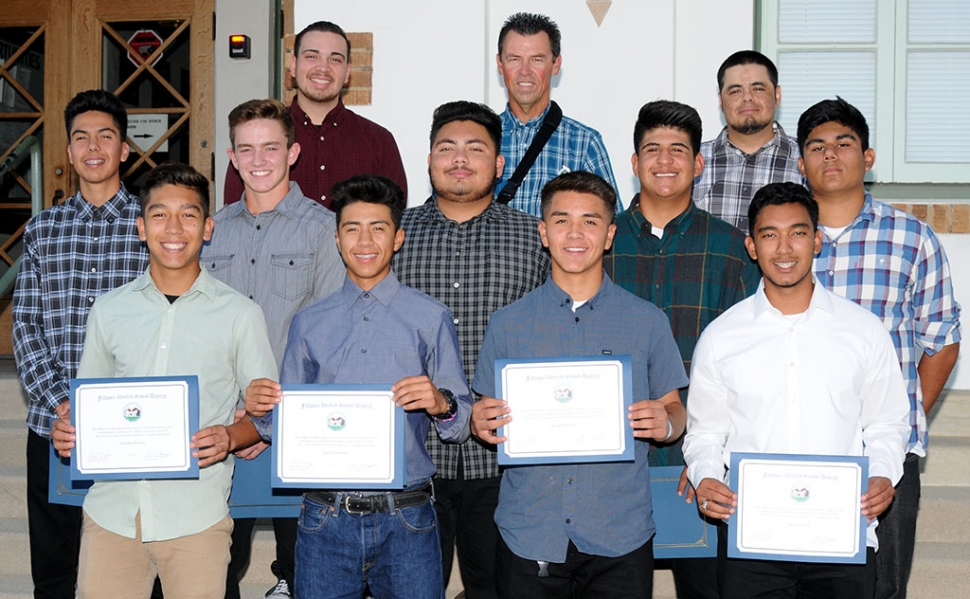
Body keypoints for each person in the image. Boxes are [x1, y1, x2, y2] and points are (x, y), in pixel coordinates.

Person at [49, 162, 276, 599]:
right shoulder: (109, 311)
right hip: (112, 515)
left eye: (188, 214)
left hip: (197, 517)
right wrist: (68, 431)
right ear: (140, 227)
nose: (174, 227)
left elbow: (267, 417)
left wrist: (231, 435)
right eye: (159, 214)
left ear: (207, 227)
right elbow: (87, 407)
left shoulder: (240, 314)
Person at [245, 174, 472, 598]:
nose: (364, 240)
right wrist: (261, 405)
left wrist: (442, 403)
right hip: (325, 516)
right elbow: (283, 424)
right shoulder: (309, 321)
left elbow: (459, 425)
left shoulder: (430, 317)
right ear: (336, 239)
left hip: (407, 517)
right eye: (352, 228)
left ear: (398, 237)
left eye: (378, 228)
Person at [683, 181, 911, 598]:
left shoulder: (863, 331)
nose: (784, 249)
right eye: (770, 235)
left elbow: (887, 424)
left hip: (843, 539)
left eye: (798, 233)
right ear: (752, 247)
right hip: (750, 543)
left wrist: (883, 474)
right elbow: (705, 433)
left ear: (817, 240)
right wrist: (707, 476)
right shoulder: (721, 337)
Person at [471, 171, 688, 598]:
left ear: (609, 235)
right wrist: (482, 421)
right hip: (529, 532)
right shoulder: (508, 324)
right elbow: (486, 413)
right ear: (543, 232)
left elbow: (676, 410)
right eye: (562, 220)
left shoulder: (647, 321)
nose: (575, 233)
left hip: (619, 533)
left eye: (590, 221)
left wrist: (664, 423)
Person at [797, 97, 962, 599]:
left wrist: (904, 419)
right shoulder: (781, 238)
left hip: (882, 456)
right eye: (816, 146)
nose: (830, 155)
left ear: (868, 158)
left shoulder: (912, 238)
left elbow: (941, 340)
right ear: (800, 162)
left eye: (844, 144)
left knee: (882, 588)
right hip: (794, 444)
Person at [392, 100, 550, 597]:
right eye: (447, 148)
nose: (460, 159)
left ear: (499, 163)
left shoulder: (534, 238)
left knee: (500, 589)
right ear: (430, 159)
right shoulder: (394, 236)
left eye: (475, 149)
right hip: (412, 456)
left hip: (504, 458)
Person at [603, 100, 760, 599]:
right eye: (652, 149)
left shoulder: (731, 247)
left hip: (701, 468)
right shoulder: (599, 244)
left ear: (699, 163)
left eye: (678, 150)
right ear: (634, 163)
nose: (665, 161)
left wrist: (712, 458)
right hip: (608, 468)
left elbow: (749, 361)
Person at [202, 98, 345, 599]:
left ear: (293, 153)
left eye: (271, 147)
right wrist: (237, 418)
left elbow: (329, 332)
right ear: (233, 157)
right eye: (247, 149)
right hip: (221, 426)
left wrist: (266, 417)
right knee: (218, 563)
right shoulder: (210, 233)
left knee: (305, 569)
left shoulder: (324, 230)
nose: (259, 160)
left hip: (295, 425)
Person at [12, 89, 150, 599]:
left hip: (133, 427)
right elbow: (26, 324)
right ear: (68, 153)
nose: (93, 147)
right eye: (81, 138)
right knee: (55, 570)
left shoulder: (151, 224)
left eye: (106, 136)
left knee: (135, 562)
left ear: (124, 149)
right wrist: (62, 404)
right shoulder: (43, 229)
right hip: (56, 428)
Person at [223, 21, 407, 209]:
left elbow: (392, 218)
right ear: (293, 65)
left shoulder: (379, 141)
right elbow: (235, 216)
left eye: (335, 59)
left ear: (347, 73)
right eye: (311, 56)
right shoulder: (257, 139)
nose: (323, 68)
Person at [494, 12, 618, 216]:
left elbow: (609, 226)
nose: (525, 71)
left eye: (537, 59)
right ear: (500, 64)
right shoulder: (478, 143)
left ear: (556, 64)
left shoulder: (584, 143)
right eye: (514, 59)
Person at [692, 50, 802, 233]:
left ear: (777, 95)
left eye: (758, 88)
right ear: (721, 100)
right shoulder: (693, 162)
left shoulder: (807, 159)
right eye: (735, 91)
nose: (747, 98)